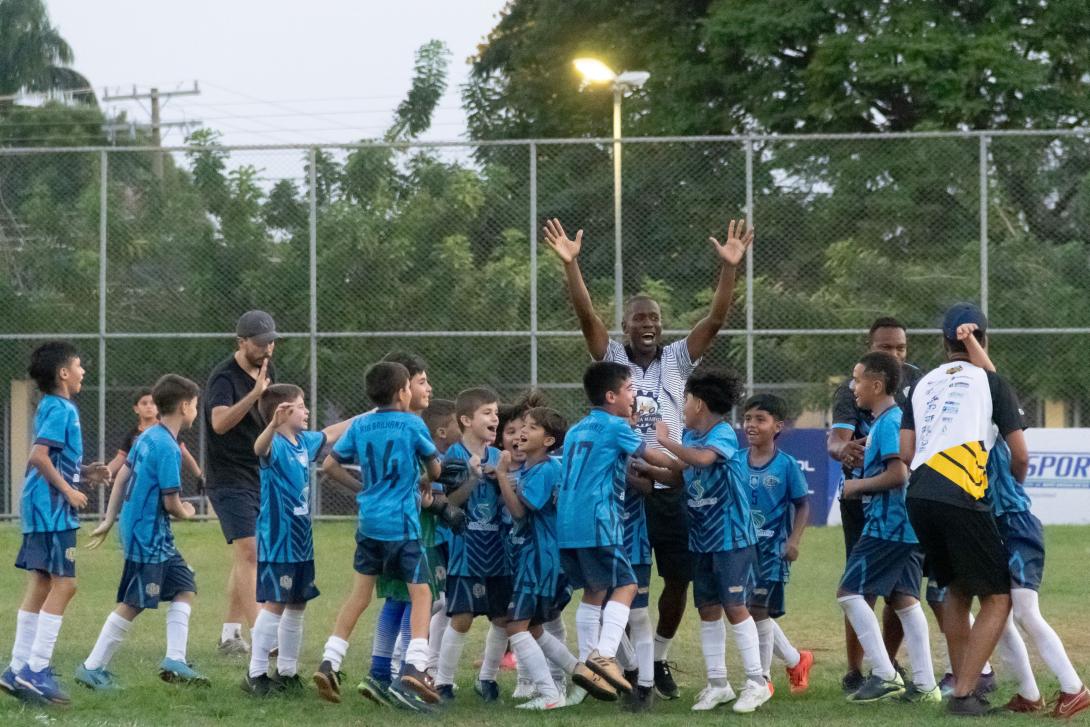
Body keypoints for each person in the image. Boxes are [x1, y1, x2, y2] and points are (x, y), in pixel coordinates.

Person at [543, 216, 752, 700]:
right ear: (625, 326)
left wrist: (728, 270)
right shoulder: (611, 358)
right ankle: (623, 668)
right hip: (624, 489)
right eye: (640, 318)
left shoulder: (678, 358)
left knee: (678, 578)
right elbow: (585, 318)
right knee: (628, 583)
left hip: (673, 485)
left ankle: (656, 661)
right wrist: (572, 267)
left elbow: (716, 320)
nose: (649, 324)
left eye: (655, 318)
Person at [956, 325, 1090, 718]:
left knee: (1025, 610)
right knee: (996, 611)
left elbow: (993, 379)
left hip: (1016, 523)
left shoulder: (992, 420)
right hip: (993, 526)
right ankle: (1029, 694)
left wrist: (969, 343)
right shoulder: (965, 431)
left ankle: (1074, 688)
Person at [901, 303, 1027, 717]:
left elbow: (905, 451)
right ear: (984, 339)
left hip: (918, 491)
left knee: (954, 590)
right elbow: (1020, 454)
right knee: (997, 596)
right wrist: (1013, 495)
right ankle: (965, 694)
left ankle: (964, 683)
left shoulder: (919, 386)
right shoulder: (993, 382)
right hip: (960, 491)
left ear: (942, 343)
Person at [312, 361, 441, 706]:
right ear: (403, 392)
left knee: (360, 595)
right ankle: (415, 665)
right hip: (402, 526)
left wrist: (362, 489)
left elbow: (328, 465)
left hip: (369, 524)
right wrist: (427, 479)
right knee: (422, 595)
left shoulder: (362, 424)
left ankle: (330, 661)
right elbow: (435, 466)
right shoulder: (412, 424)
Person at [643, 367, 770, 714]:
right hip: (701, 539)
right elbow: (676, 475)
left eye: (685, 400)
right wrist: (638, 465)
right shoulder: (690, 436)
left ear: (698, 403)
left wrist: (665, 440)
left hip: (731, 538)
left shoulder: (723, 433)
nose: (683, 406)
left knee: (733, 607)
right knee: (708, 609)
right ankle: (718, 683)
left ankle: (757, 682)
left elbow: (702, 460)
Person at [76, 374, 209, 690]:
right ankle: (92, 667)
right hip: (147, 536)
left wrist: (110, 519)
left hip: (150, 533)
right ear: (184, 406)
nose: (196, 410)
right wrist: (188, 513)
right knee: (135, 602)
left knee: (184, 587)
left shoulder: (148, 437)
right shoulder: (166, 447)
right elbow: (172, 502)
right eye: (195, 405)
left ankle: (175, 659)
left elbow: (121, 477)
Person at [557, 362, 676, 700]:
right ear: (611, 396)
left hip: (568, 524)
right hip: (598, 521)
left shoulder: (577, 429)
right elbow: (650, 453)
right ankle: (605, 655)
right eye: (629, 390)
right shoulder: (615, 426)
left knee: (594, 592)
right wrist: (678, 461)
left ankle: (584, 663)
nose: (634, 396)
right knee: (626, 585)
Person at [1, 342, 108, 704]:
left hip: (40, 507)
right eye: (78, 366)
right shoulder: (62, 409)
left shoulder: (52, 406)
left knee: (43, 583)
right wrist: (68, 490)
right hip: (51, 510)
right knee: (67, 585)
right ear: (63, 373)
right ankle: (36, 669)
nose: (82, 372)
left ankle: (17, 668)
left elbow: (55, 459)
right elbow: (39, 457)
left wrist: (84, 473)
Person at [826, 317, 925, 693]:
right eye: (886, 348)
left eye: (901, 347)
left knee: (902, 591)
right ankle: (857, 670)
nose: (896, 354)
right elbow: (837, 441)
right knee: (861, 587)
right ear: (870, 348)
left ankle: (887, 667)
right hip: (865, 501)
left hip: (905, 502)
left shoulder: (920, 386)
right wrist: (844, 451)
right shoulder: (855, 389)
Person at [242, 384, 354, 696]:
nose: (306, 411)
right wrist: (272, 425)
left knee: (297, 603)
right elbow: (258, 449)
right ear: (283, 412)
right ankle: (256, 673)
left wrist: (368, 416)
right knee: (276, 603)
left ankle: (287, 672)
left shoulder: (303, 441)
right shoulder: (274, 443)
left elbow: (331, 433)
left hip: (301, 541)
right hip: (279, 542)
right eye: (301, 406)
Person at [496, 406, 595, 711]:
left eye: (532, 428)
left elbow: (520, 511)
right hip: (538, 557)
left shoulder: (545, 469)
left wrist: (501, 475)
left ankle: (548, 693)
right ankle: (583, 673)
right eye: (522, 426)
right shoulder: (536, 468)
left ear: (549, 441)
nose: (523, 432)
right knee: (535, 627)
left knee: (516, 625)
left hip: (539, 559)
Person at [204, 310, 278, 654]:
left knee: (245, 556)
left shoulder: (267, 371)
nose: (267, 349)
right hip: (229, 476)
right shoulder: (224, 378)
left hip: (258, 472)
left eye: (271, 342)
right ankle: (262, 635)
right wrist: (253, 394)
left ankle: (229, 635)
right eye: (261, 343)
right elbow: (219, 423)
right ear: (242, 342)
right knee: (250, 552)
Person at [433, 387, 511, 704]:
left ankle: (487, 679)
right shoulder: (452, 457)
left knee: (503, 618)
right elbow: (447, 503)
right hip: (466, 552)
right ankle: (443, 682)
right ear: (466, 420)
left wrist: (504, 476)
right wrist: (474, 477)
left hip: (498, 552)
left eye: (495, 412)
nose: (495, 418)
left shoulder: (499, 456)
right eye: (487, 413)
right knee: (462, 618)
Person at [738, 394, 813, 695]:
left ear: (777, 426)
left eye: (760, 419)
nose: (751, 425)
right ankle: (797, 659)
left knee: (757, 609)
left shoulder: (787, 465)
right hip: (742, 550)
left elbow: (803, 506)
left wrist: (793, 541)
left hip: (772, 552)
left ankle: (763, 679)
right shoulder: (736, 461)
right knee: (750, 611)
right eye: (747, 419)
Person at [106, 388, 203, 487]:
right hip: (139, 485)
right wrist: (106, 472)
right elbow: (121, 458)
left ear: (158, 407)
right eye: (144, 403)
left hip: (163, 483)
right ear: (136, 409)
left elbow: (183, 453)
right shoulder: (133, 434)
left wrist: (200, 476)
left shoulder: (167, 429)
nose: (149, 406)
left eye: (153, 403)